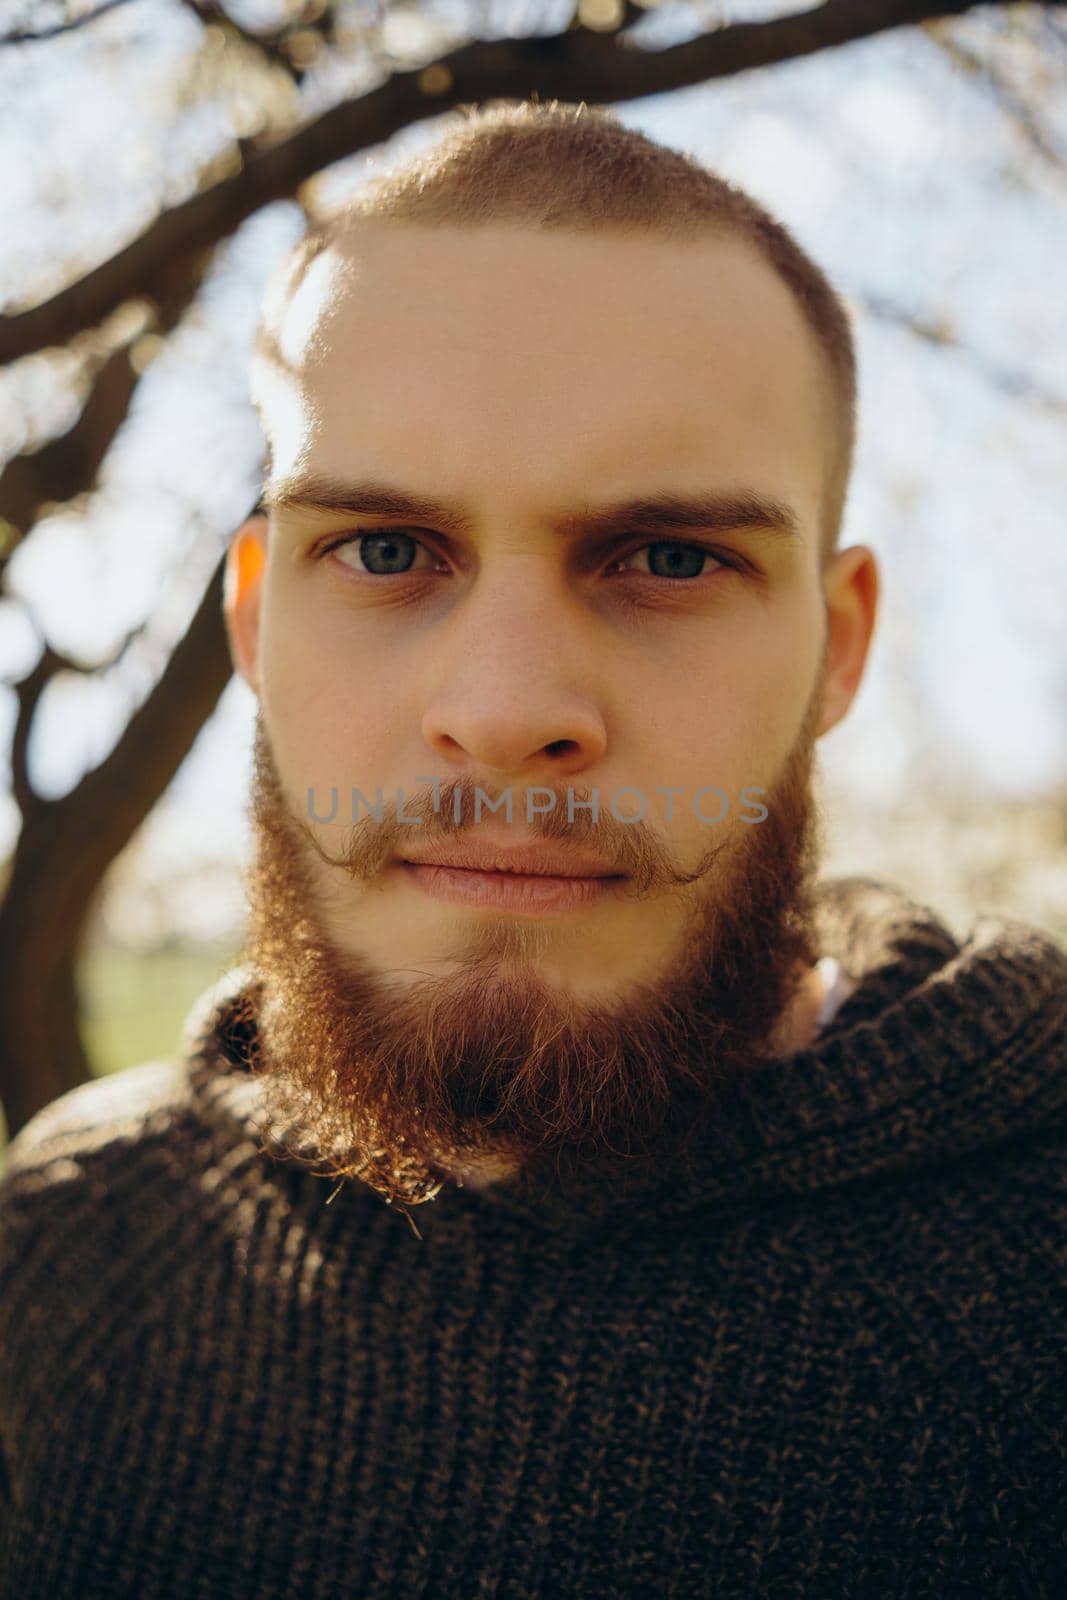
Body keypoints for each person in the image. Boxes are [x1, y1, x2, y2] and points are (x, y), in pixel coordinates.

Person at [1, 100, 1064, 1600]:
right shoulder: (63, 1241)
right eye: (383, 550)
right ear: (256, 623)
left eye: (671, 558)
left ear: (836, 651)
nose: (506, 717)